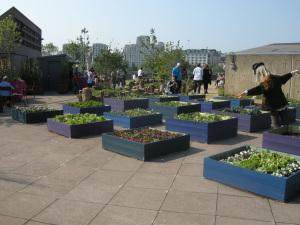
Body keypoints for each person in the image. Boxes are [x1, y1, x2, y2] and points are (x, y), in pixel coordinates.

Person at [239, 62, 299, 128]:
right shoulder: (276, 78)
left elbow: (257, 89)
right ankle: (286, 134)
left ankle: (279, 135)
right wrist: (295, 71)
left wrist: (245, 92)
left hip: (273, 106)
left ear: (259, 73)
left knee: (276, 125)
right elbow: (285, 77)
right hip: (282, 103)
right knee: (285, 123)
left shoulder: (265, 83)